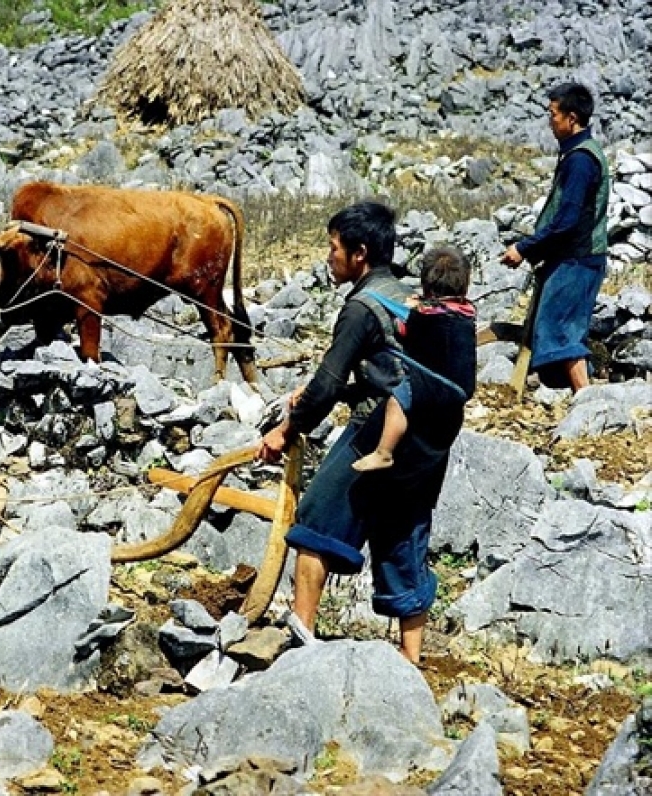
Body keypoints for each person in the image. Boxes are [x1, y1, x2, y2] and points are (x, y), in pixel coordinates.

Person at [259, 201, 471, 664]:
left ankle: (302, 636)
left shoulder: (360, 309)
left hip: (373, 433)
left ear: (358, 254)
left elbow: (327, 385)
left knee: (315, 524)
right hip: (423, 444)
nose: (328, 257)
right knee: (403, 534)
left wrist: (285, 429)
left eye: (333, 247)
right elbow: (393, 374)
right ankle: (411, 659)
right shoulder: (409, 298)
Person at [500, 81, 610, 392]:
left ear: (571, 117)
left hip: (578, 260)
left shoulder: (580, 161)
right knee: (556, 326)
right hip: (572, 257)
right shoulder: (578, 154)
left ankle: (587, 402)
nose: (551, 122)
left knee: (560, 331)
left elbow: (566, 221)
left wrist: (524, 248)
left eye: (553, 115)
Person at [352, 246, 477, 472]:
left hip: (433, 383)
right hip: (461, 387)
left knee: (396, 402)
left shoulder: (426, 316)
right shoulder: (467, 312)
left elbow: (404, 329)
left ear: (426, 284)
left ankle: (384, 452)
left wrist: (414, 309)